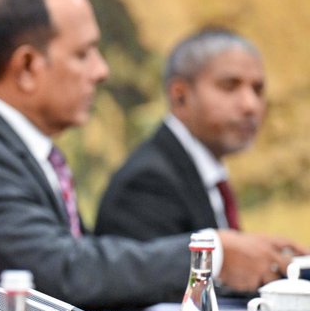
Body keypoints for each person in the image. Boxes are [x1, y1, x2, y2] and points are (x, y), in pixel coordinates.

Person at [0, 0, 301, 311]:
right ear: (28, 66)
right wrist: (211, 255)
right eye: (84, 54)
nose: (101, 71)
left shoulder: (18, 148)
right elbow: (64, 273)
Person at [96, 29, 266, 240]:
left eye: (258, 90)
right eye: (229, 87)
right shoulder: (148, 184)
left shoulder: (205, 173)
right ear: (180, 96)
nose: (251, 105)